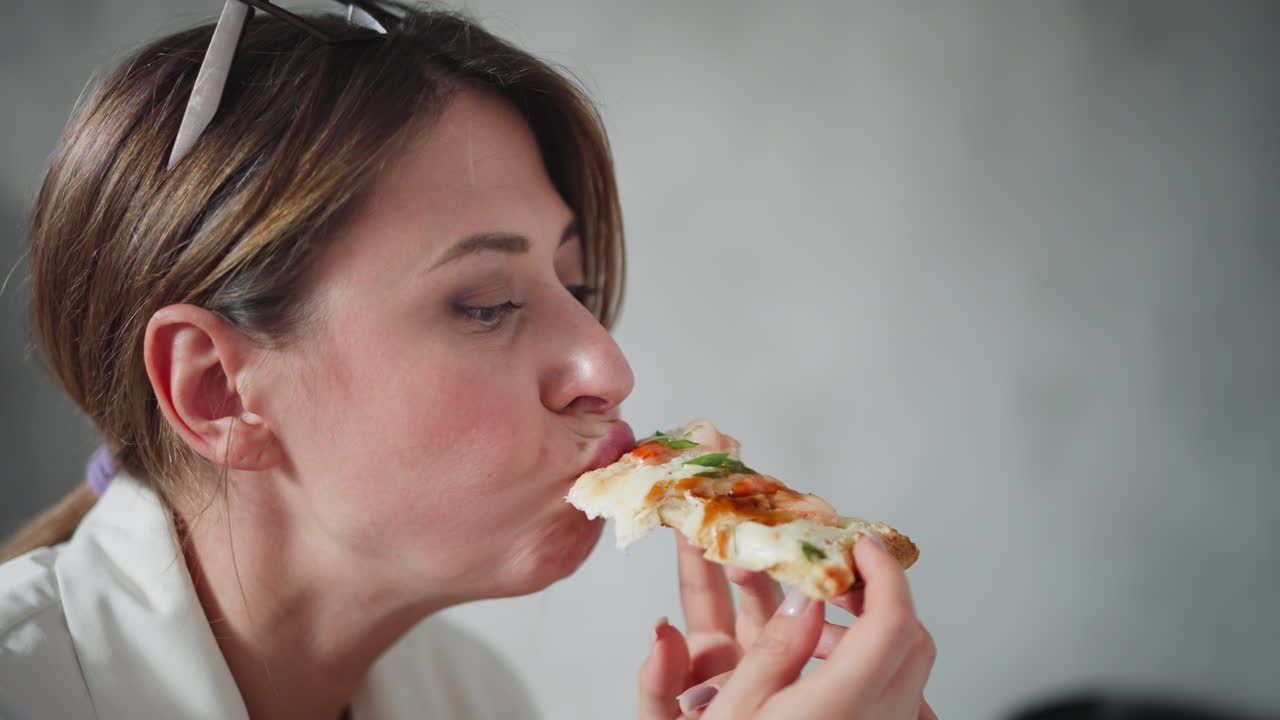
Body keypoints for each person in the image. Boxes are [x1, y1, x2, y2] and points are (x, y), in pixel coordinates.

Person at [0, 2, 936, 718]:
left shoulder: (476, 697)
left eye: (577, 285)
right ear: (216, 391)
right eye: (485, 304)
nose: (606, 365)